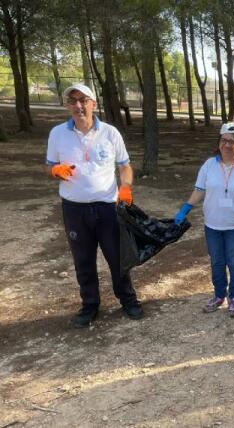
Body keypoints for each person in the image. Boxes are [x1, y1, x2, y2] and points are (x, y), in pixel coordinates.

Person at [45, 83, 142, 327]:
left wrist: (126, 187)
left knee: (116, 257)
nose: (78, 105)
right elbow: (48, 166)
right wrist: (56, 170)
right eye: (73, 101)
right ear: (68, 105)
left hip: (107, 208)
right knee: (83, 259)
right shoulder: (57, 134)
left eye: (83, 100)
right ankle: (90, 305)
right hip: (74, 209)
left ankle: (128, 299)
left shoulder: (110, 133)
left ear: (93, 104)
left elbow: (125, 166)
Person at [173, 122, 234, 317]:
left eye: (232, 141)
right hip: (213, 225)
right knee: (217, 262)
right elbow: (199, 190)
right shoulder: (209, 165)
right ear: (219, 143)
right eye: (224, 140)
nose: (227, 145)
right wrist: (185, 208)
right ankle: (220, 295)